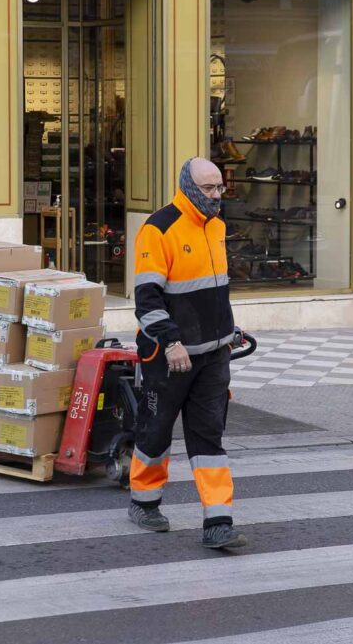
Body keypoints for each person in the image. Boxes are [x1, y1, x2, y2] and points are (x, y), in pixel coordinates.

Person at [128, 156, 246, 549]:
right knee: (156, 429)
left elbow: (213, 288)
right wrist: (171, 341)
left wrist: (227, 331)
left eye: (220, 188)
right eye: (210, 189)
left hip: (214, 353)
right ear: (191, 188)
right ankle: (144, 501)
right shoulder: (158, 228)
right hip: (169, 355)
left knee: (208, 436)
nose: (217, 196)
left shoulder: (217, 226)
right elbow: (147, 299)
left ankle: (218, 520)